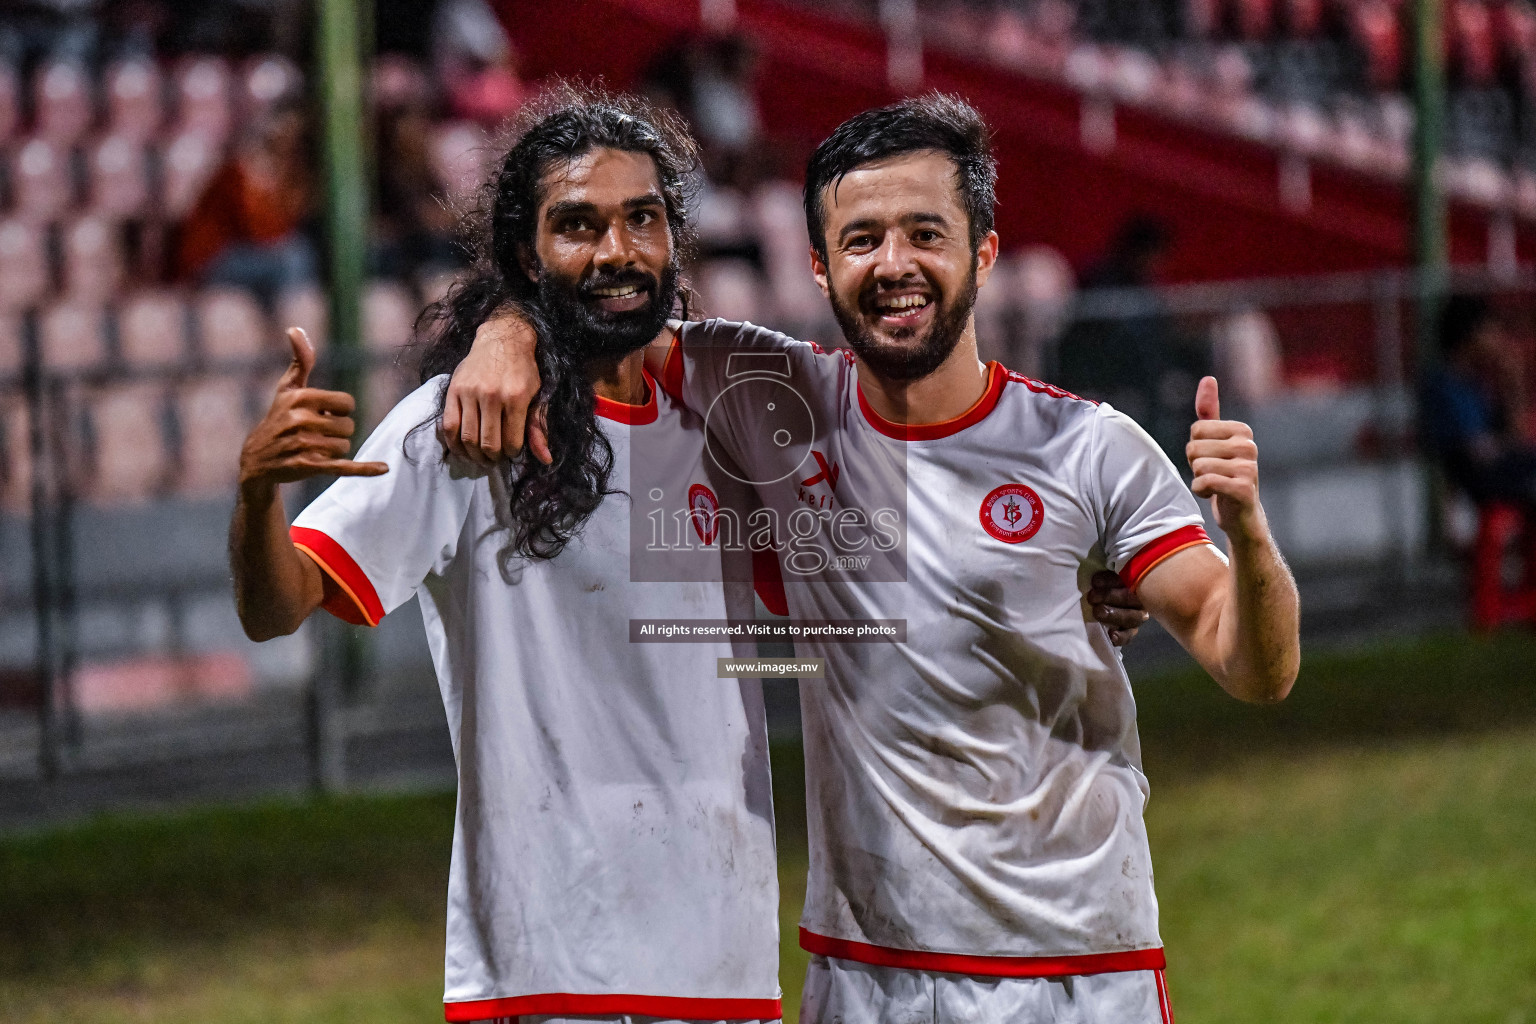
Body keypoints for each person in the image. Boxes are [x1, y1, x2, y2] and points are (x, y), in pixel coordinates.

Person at [446, 93, 1301, 1024]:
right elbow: (604, 303)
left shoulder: (1087, 449)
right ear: (819, 266)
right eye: (861, 240)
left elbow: (1255, 666)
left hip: (1074, 972)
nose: (894, 265)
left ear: (983, 250)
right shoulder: (777, 399)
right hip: (864, 980)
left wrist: (1248, 537)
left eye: (924, 233)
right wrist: (508, 329)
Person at [228, 89, 784, 1024]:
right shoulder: (460, 426)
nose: (616, 252)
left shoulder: (740, 400)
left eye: (642, 218)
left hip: (725, 958)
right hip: (549, 960)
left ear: (674, 239)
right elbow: (275, 607)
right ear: (528, 253)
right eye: (578, 224)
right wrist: (253, 494)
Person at [175, 95, 318, 303]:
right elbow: (259, 231)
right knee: (294, 257)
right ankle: (291, 322)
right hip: (210, 264)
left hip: (251, 257)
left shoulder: (287, 174)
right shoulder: (239, 171)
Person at [1421, 293, 1536, 511]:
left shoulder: (1478, 382)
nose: (1498, 340)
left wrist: (1513, 384)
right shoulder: (1444, 385)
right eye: (1491, 331)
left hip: (1504, 471)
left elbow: (1517, 435)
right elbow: (1479, 453)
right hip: (1483, 478)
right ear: (1470, 334)